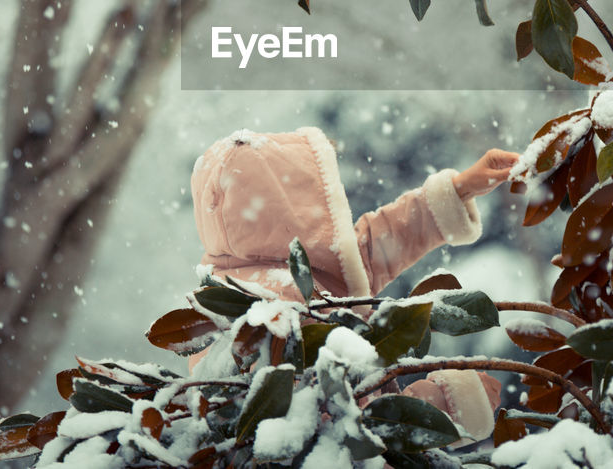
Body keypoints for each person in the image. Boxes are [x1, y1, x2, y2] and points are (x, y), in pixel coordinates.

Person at [190, 126, 518, 441]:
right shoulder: (277, 317)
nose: (334, 211)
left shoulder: (260, 277)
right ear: (292, 211)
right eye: (319, 199)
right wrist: (452, 403)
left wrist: (461, 188)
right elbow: (341, 434)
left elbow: (373, 246)